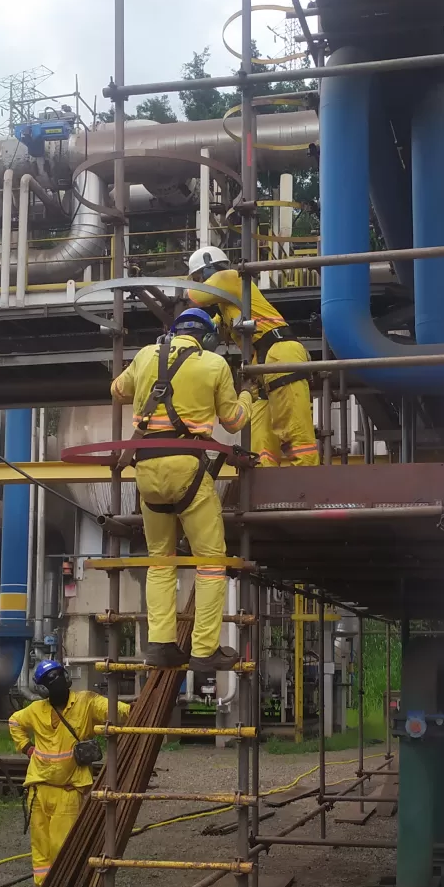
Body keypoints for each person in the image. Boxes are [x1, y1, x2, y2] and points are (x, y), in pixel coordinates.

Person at [111, 306, 253, 672]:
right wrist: (248, 397)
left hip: (147, 471)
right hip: (186, 467)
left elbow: (117, 390)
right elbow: (234, 422)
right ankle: (204, 650)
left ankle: (160, 645)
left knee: (160, 559)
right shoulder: (213, 364)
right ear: (207, 338)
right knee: (211, 561)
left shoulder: (146, 355)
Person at [187, 245, 319, 468]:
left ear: (211, 268)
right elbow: (208, 330)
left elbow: (195, 295)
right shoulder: (226, 306)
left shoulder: (229, 277)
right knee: (261, 436)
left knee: (294, 427)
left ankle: (308, 479)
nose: (200, 282)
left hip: (280, 352)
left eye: (199, 277)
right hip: (263, 362)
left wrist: (188, 291)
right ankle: (265, 479)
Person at [8, 659, 130, 887]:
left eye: (58, 675)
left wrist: (138, 708)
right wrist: (26, 747)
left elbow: (117, 711)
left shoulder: (86, 702)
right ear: (42, 688)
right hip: (38, 789)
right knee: (41, 848)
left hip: (68, 790)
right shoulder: (36, 710)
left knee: (62, 846)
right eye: (50, 679)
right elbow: (14, 721)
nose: (56, 681)